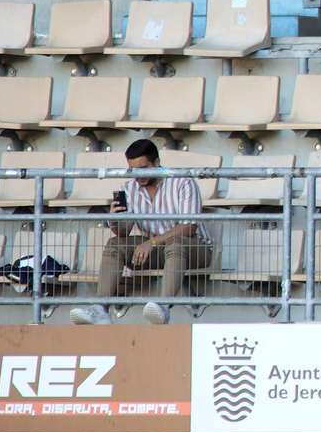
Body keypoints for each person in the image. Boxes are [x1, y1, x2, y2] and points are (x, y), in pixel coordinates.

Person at [70, 140, 213, 327]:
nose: (139, 175)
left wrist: (151, 242)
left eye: (143, 168)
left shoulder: (182, 181)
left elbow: (188, 228)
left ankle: (162, 307)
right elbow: (122, 233)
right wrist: (114, 219)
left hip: (194, 248)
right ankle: (100, 309)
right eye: (133, 170)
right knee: (115, 244)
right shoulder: (129, 189)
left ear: (157, 163)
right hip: (155, 250)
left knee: (176, 243)